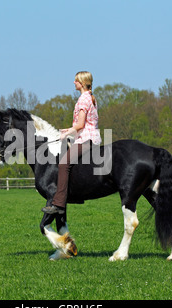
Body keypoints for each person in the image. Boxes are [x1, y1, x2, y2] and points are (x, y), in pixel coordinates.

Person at [42, 71, 102, 214]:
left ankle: (59, 204)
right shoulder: (90, 98)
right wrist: (69, 130)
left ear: (81, 83)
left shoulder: (83, 100)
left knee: (63, 164)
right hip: (87, 137)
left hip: (86, 139)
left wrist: (68, 133)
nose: (74, 83)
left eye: (76, 81)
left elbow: (81, 124)